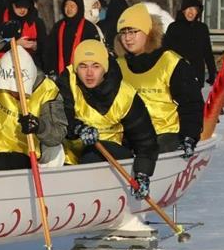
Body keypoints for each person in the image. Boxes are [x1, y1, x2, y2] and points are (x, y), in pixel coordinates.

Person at [57, 39, 158, 197]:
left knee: (91, 154)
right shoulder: (67, 84)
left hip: (112, 154)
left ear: (105, 68)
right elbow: (60, 116)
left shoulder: (125, 95)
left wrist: (142, 174)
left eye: (96, 66)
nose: (89, 73)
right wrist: (78, 128)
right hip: (72, 156)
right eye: (83, 66)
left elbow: (145, 140)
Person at [0, 35, 67, 170]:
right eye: (9, 90)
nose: (14, 94)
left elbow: (58, 134)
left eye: (19, 92)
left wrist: (39, 127)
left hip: (20, 153)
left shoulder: (47, 91)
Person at [114, 2, 203, 155]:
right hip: (130, 136)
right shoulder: (118, 65)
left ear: (148, 32)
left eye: (133, 32)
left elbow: (191, 104)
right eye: (123, 33)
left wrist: (189, 136)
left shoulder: (171, 63)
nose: (127, 38)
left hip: (165, 135)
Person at [162, 0, 217, 86]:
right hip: (178, 75)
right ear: (183, 11)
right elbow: (166, 52)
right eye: (188, 8)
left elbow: (207, 52)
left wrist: (212, 73)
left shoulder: (202, 28)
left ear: (198, 12)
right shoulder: (174, 27)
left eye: (194, 9)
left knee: (195, 99)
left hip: (197, 76)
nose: (191, 12)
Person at [47, 0, 96, 75]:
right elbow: (50, 50)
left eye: (72, 6)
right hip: (60, 74)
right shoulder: (58, 26)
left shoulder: (89, 28)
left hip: (83, 74)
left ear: (79, 8)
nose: (69, 9)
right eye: (66, 5)